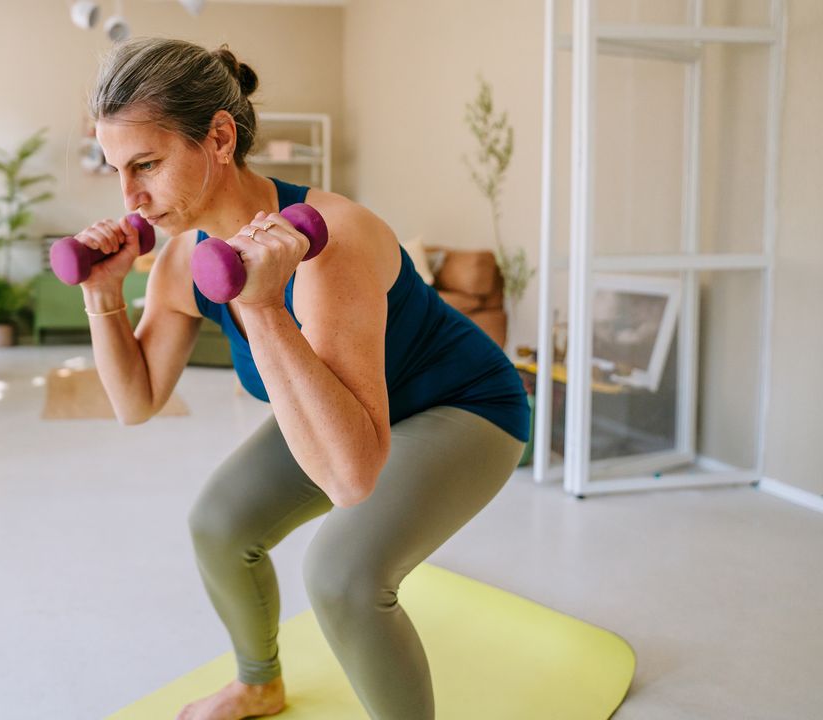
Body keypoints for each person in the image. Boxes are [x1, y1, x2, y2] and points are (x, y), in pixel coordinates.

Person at [74, 38, 530, 720]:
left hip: (461, 406)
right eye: (116, 170)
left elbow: (352, 478)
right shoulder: (179, 262)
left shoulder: (328, 246)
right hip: (349, 408)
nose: (131, 199)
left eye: (147, 163)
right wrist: (101, 294)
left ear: (219, 138)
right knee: (220, 523)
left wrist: (259, 304)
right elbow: (136, 402)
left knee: (343, 577)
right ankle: (258, 683)